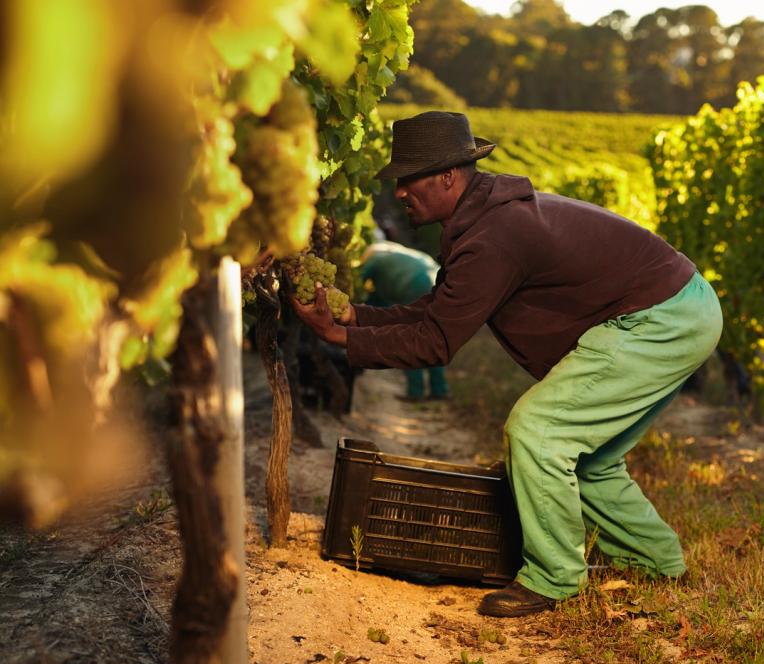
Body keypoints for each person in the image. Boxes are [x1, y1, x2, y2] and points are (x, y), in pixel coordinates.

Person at [292, 111, 723, 617]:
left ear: (447, 176)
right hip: (681, 308)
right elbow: (439, 309)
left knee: (537, 431)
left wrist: (339, 337)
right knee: (593, 459)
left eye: (409, 179)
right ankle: (656, 562)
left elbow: (436, 342)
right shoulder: (481, 220)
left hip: (659, 318)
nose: (401, 191)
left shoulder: (493, 234)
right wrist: (355, 317)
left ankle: (555, 579)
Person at [359, 240, 449, 401]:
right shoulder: (402, 256)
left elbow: (359, 284)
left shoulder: (375, 261)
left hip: (416, 286)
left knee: (410, 341)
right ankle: (439, 390)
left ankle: (416, 392)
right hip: (438, 282)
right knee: (433, 338)